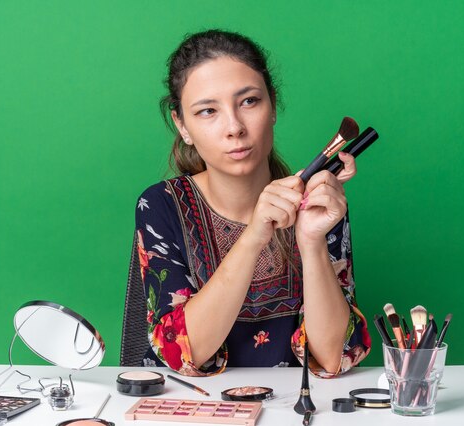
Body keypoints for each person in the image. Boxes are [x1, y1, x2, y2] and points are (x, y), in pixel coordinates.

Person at [133, 29, 370, 377]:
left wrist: (311, 241)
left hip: (289, 409)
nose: (234, 127)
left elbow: (334, 358)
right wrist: (255, 236)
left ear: (272, 106)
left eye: (249, 102)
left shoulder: (317, 204)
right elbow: (183, 353)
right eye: (207, 111)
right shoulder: (161, 205)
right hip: (189, 408)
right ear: (181, 125)